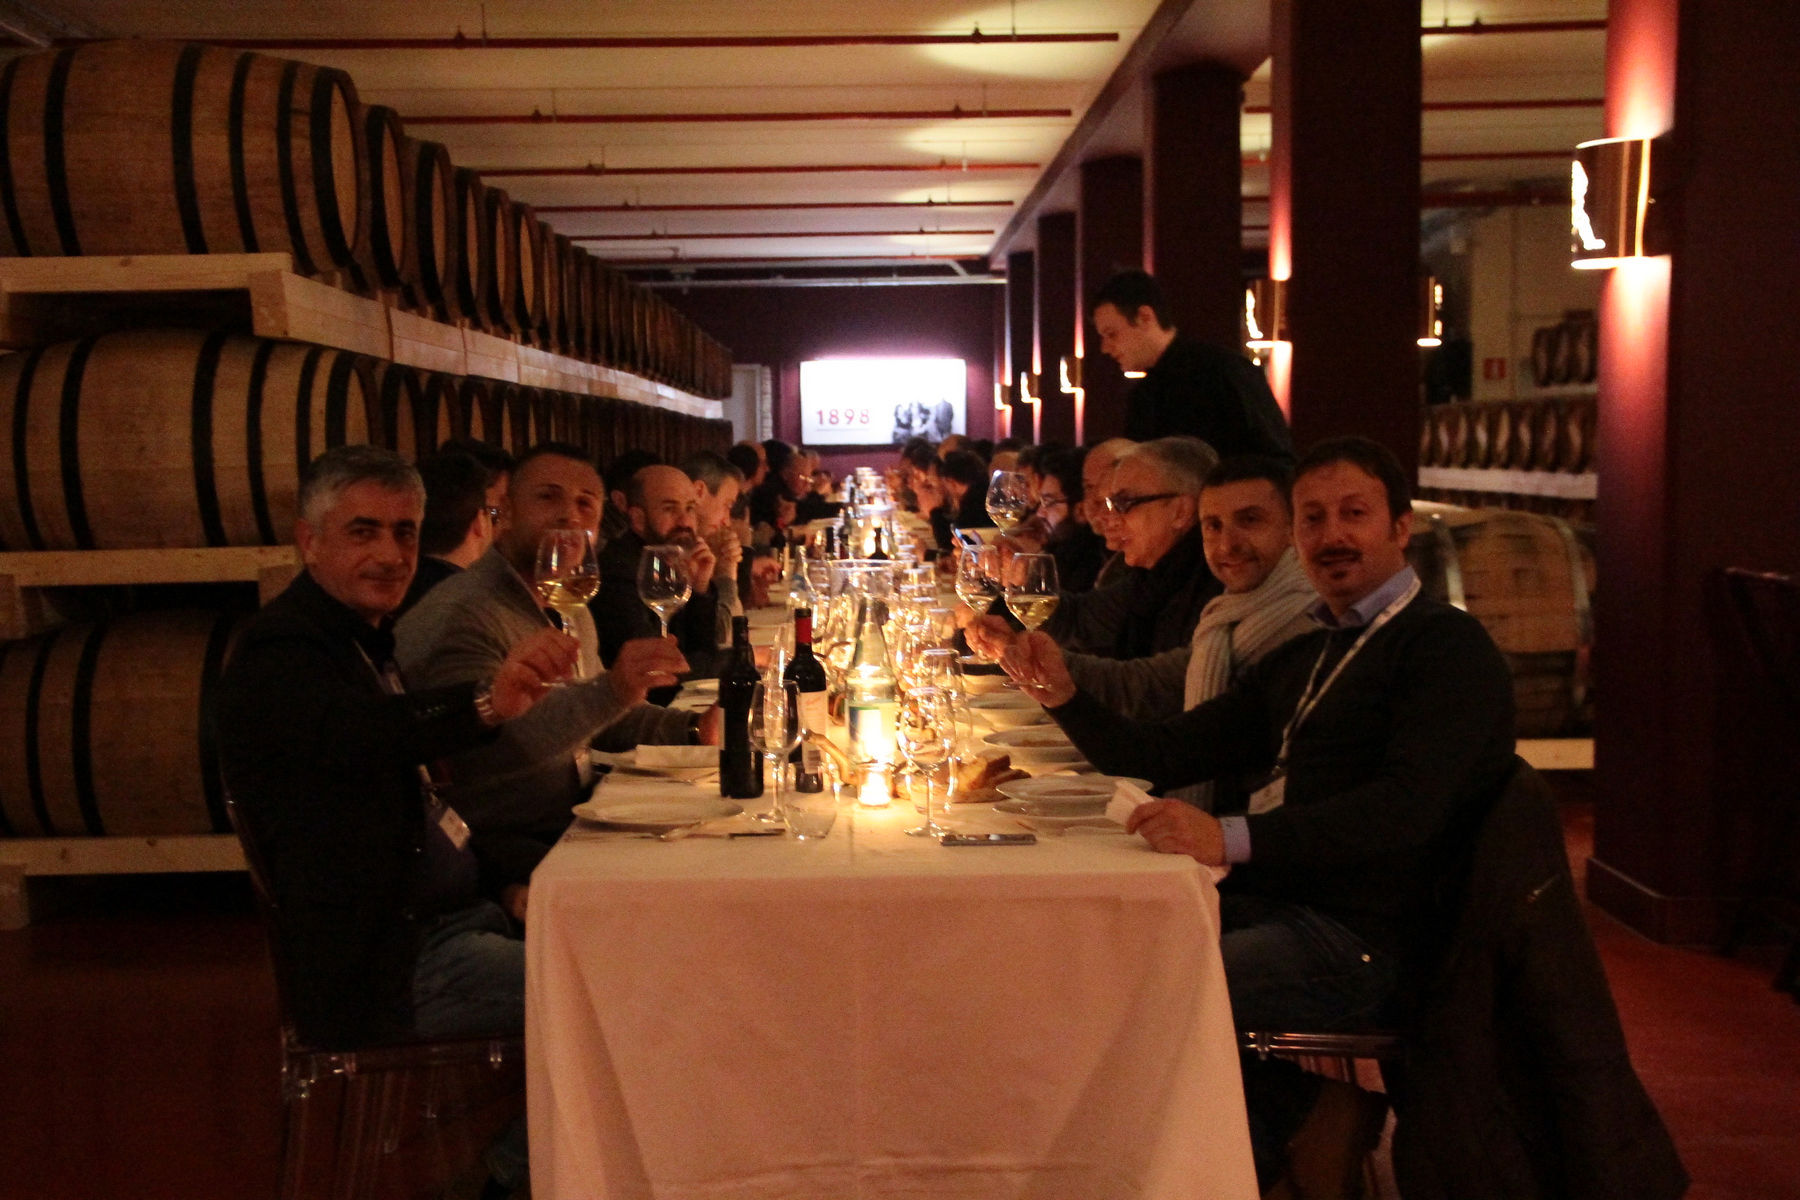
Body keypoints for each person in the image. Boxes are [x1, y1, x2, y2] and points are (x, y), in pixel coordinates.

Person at [1007, 437, 1515, 1193]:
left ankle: (1231, 1153)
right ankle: (1305, 1117)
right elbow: (1163, 751)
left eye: (1353, 514)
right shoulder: (1316, 649)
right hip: (1285, 904)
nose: (1331, 535)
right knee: (1092, 954)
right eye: (1314, 518)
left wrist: (1229, 836)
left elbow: (1404, 811)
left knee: (1135, 992)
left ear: (1401, 527)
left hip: (1371, 939)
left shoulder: (1444, 648)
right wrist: (1062, 696)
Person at [216, 445, 580, 1195]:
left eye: (405, 532)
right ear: (308, 540)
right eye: (364, 532)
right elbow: (364, 737)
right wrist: (484, 702)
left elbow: (430, 806)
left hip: (449, 926)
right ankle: (508, 1180)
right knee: (613, 992)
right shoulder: (283, 654)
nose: (391, 554)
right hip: (390, 964)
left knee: (622, 950)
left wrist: (508, 880)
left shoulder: (361, 640)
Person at [395, 443, 704, 889]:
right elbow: (501, 746)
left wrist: (695, 729)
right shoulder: (465, 613)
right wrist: (614, 689)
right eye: (548, 497)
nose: (569, 516)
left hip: (571, 819)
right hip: (496, 852)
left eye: (585, 504)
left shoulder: (568, 602)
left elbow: (600, 716)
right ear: (504, 513)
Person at [1003, 456, 1317, 811]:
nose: (1227, 544)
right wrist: (1056, 685)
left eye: (1250, 520)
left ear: (1293, 528)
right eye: (1213, 526)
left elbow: (1159, 732)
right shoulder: (1226, 619)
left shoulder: (1301, 629)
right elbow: (1158, 737)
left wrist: (1058, 684)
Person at [969, 437, 1219, 660]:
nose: (1109, 516)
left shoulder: (1209, 586)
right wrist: (1023, 578)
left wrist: (1027, 655)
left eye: (1124, 503)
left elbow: (1147, 683)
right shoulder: (1154, 576)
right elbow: (1080, 620)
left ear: (1181, 512)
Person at [1092, 270, 1294, 461]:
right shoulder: (1144, 395)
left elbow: (1275, 457)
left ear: (1145, 317)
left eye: (1111, 334)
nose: (1105, 348)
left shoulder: (1222, 371)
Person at [590, 463, 724, 678]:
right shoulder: (617, 571)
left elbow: (701, 651)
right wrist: (744, 659)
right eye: (670, 509)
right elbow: (657, 671)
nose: (685, 521)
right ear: (638, 519)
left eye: (690, 508)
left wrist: (700, 589)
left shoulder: (672, 562)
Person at [398, 449, 509, 615]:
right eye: (494, 513)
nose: (505, 526)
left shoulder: (395, 591)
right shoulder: (480, 608)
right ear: (479, 521)